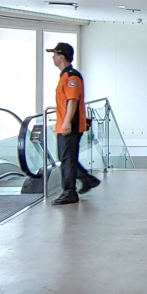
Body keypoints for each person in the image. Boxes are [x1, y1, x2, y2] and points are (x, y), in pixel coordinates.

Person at [47, 42, 100, 205]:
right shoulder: (65, 75)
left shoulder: (71, 76)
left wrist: (67, 122)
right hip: (64, 123)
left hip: (71, 124)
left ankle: (69, 192)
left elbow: (72, 100)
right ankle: (86, 179)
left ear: (61, 57)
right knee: (66, 158)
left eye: (55, 54)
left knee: (67, 159)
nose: (53, 57)